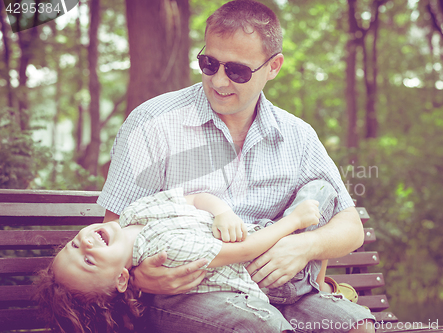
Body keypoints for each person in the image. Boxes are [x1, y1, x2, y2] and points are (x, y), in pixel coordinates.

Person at [97, 0, 375, 332]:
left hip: (280, 290)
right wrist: (140, 278)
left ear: (273, 67)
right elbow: (114, 232)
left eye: (237, 70)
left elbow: (350, 225)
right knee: (261, 327)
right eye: (209, 63)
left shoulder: (298, 136)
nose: (219, 81)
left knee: (356, 326)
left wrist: (304, 246)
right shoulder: (151, 123)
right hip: (185, 293)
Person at [35, 186, 323, 332]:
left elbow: (197, 199)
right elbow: (246, 251)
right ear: (122, 278)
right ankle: (317, 281)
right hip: (280, 279)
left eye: (74, 245)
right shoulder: (165, 253)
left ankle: (320, 279)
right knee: (320, 194)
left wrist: (222, 211)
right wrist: (294, 221)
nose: (86, 243)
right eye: (89, 261)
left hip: (272, 245)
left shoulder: (135, 213)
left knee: (322, 190)